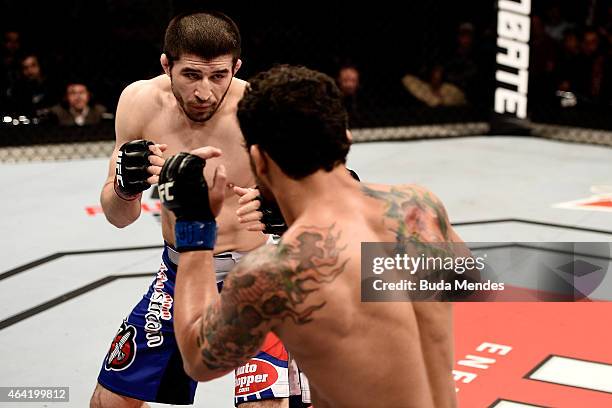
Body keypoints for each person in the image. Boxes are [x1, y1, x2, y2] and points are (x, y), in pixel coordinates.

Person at [162, 65, 466, 408]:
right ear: (345, 139)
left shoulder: (273, 273)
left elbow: (197, 358)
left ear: (260, 161)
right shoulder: (419, 207)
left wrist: (195, 224)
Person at [91, 12, 291, 408]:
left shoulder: (260, 111)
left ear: (236, 67)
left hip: (258, 274)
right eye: (191, 75)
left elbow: (322, 202)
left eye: (219, 76)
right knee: (110, 403)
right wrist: (125, 188)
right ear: (167, 65)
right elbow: (118, 217)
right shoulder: (139, 102)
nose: (205, 92)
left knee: (265, 405)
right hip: (179, 273)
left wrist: (288, 215)